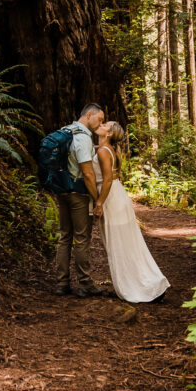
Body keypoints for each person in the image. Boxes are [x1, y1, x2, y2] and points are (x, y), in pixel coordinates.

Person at [93, 122, 169, 303]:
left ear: (109, 133)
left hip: (111, 199)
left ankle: (140, 286)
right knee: (127, 242)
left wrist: (99, 203)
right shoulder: (107, 148)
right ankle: (148, 282)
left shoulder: (104, 151)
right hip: (118, 197)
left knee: (120, 244)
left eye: (105, 124)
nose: (101, 124)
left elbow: (108, 180)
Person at [54, 102, 108, 297]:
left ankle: (62, 283)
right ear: (89, 115)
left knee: (64, 236)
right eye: (99, 119)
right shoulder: (83, 137)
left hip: (62, 190)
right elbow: (87, 172)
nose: (100, 123)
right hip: (77, 193)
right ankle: (85, 283)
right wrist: (97, 199)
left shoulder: (66, 130)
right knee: (82, 238)